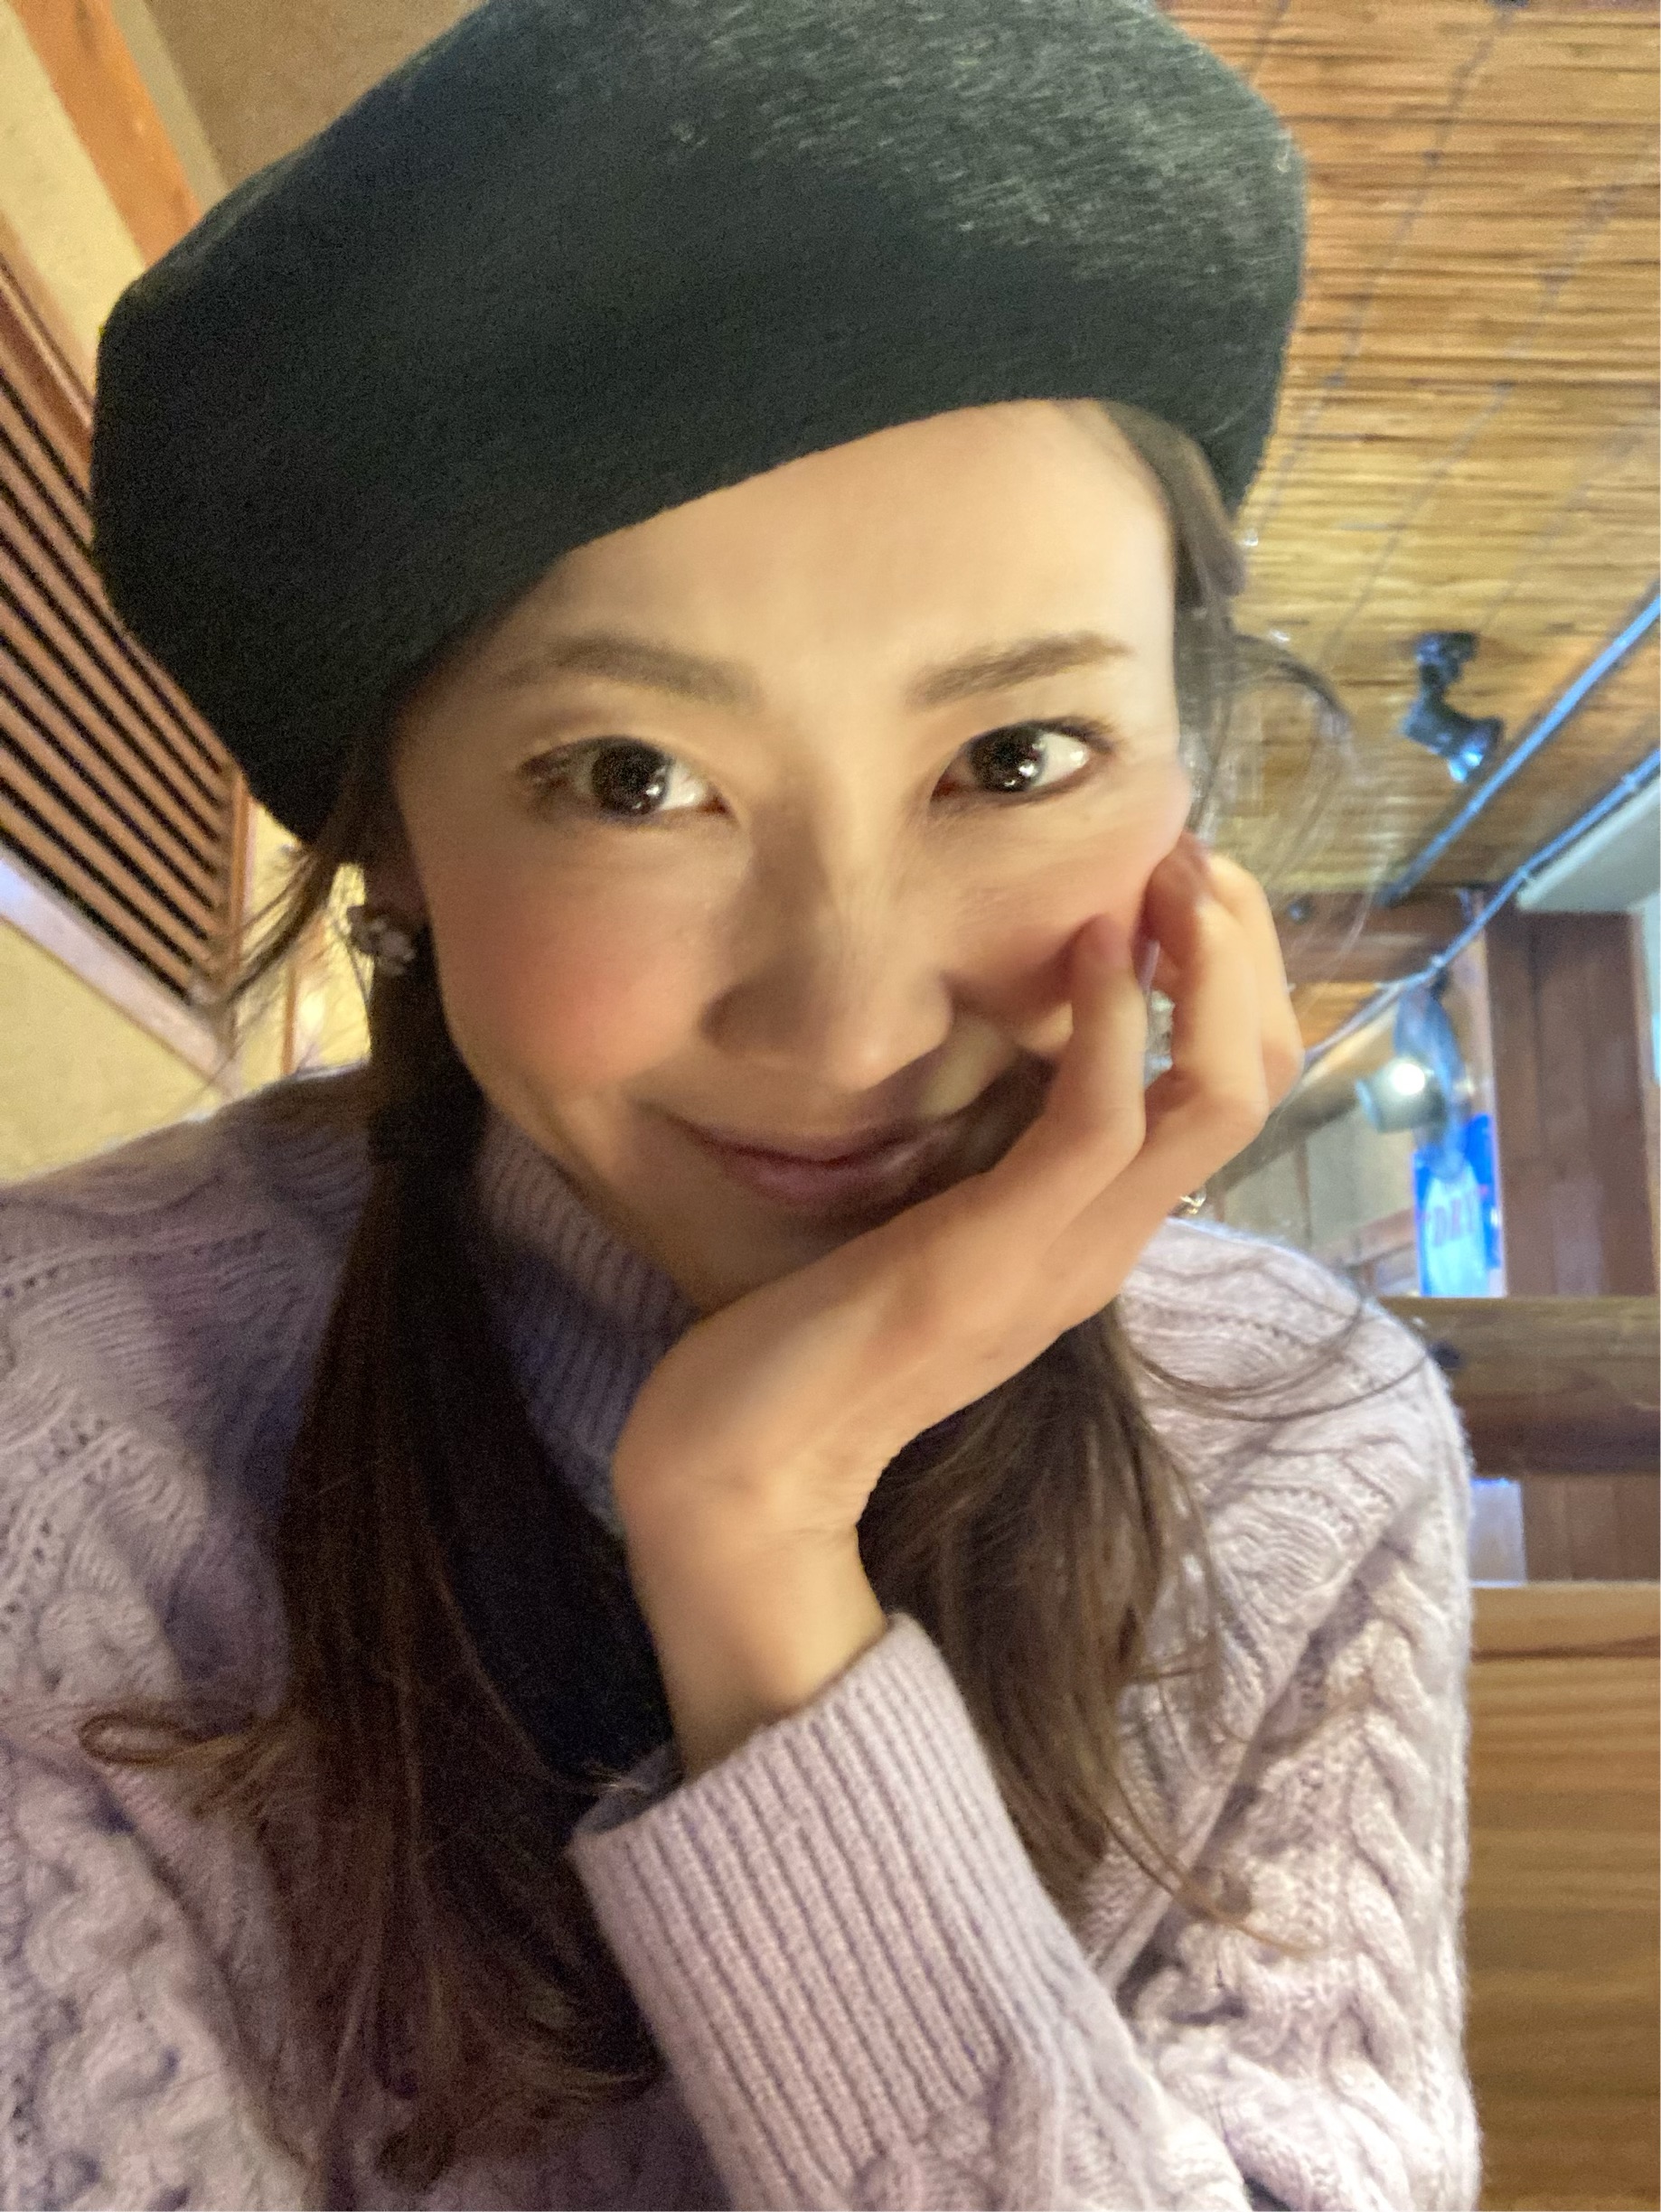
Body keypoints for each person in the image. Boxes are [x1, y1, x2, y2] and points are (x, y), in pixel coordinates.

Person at [0, 1, 1480, 2206]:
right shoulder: (53, 1421)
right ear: (390, 839)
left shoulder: (1305, 1442)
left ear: (1181, 770)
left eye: (1016, 758)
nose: (852, 1019)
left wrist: (758, 1537)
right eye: (631, 778)